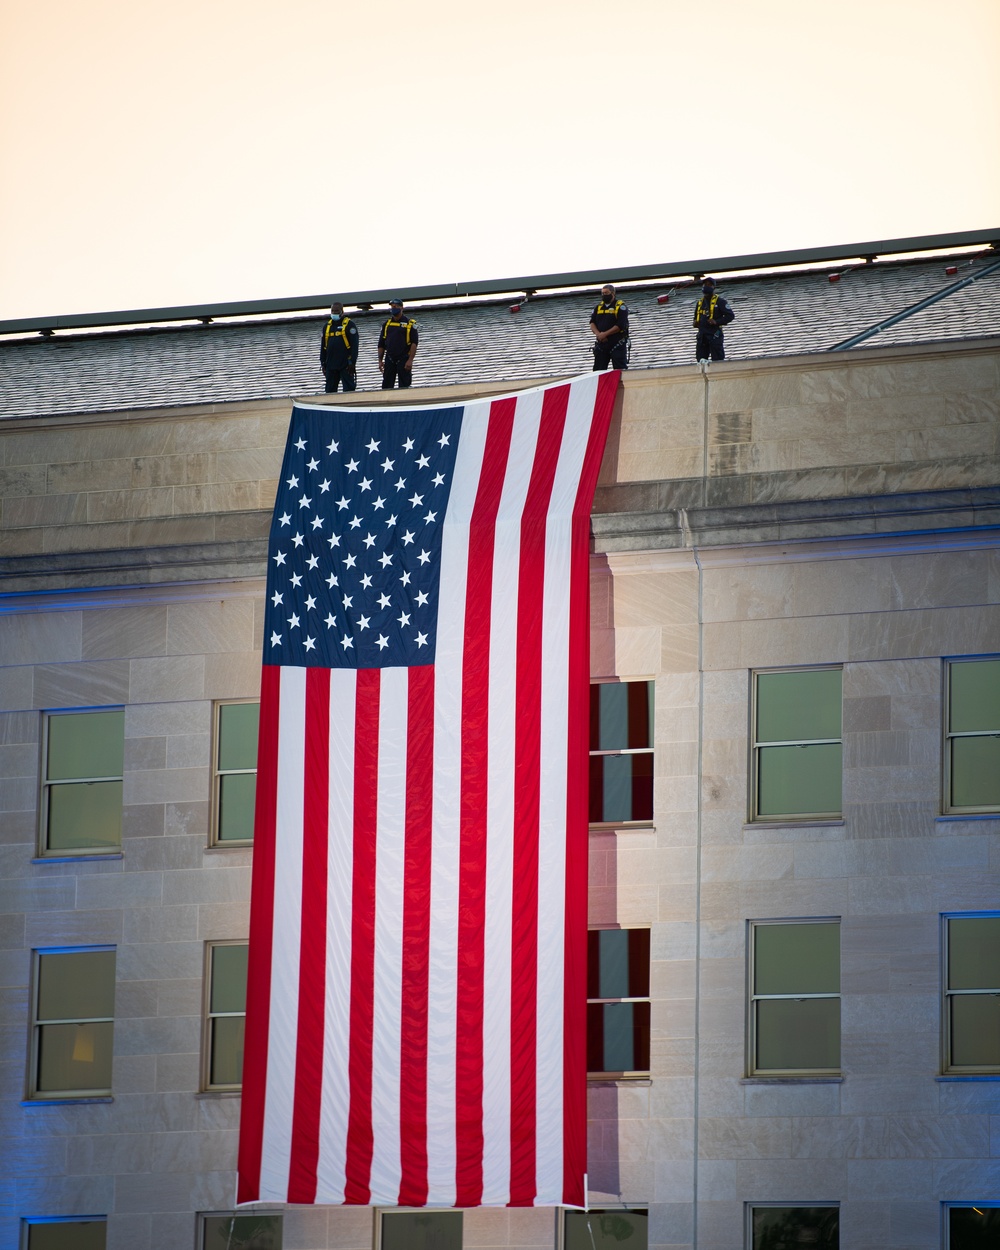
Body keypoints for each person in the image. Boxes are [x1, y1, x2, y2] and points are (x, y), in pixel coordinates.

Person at [378, 298, 418, 389]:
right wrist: (380, 361)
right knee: (387, 386)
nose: (393, 308)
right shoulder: (386, 324)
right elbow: (381, 344)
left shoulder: (410, 324)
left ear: (401, 308)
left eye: (395, 306)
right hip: (390, 358)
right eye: (392, 307)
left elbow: (414, 343)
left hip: (403, 358)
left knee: (404, 386)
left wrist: (410, 360)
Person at [693, 277, 735, 362]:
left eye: (709, 285)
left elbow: (730, 316)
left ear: (714, 287)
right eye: (705, 284)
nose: (706, 286)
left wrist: (716, 322)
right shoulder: (700, 303)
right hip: (702, 336)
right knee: (700, 361)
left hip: (715, 335)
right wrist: (695, 322)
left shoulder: (720, 302)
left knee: (718, 361)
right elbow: (695, 317)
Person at [320, 303, 360, 393]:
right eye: (332, 311)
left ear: (342, 312)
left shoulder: (349, 325)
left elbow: (354, 345)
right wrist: (323, 363)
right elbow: (323, 347)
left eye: (336, 311)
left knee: (349, 390)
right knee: (330, 390)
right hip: (331, 364)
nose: (334, 313)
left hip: (345, 364)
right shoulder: (327, 327)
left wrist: (352, 362)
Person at [590, 283, 630, 371]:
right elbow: (592, 322)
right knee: (598, 370)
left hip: (617, 343)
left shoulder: (620, 306)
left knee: (620, 369)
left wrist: (605, 334)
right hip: (602, 343)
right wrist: (599, 334)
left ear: (613, 293)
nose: (604, 295)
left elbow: (620, 325)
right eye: (602, 293)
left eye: (606, 293)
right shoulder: (599, 307)